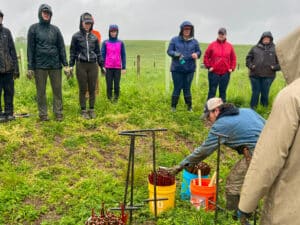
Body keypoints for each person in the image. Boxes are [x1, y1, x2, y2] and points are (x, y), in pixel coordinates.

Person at [238, 27, 300, 225]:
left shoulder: (292, 96)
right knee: (257, 95)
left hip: (291, 209)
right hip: (257, 76)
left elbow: (268, 159)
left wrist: (246, 204)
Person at [165, 97, 265, 217]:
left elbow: (203, 151)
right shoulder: (247, 111)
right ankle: (250, 210)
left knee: (233, 182)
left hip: (259, 154)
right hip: (274, 148)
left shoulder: (221, 125)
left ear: (216, 111)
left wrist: (180, 166)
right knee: (251, 182)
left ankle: (233, 216)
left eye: (209, 116)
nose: (209, 120)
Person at [27, 4, 70, 122]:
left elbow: (61, 47)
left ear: (51, 15)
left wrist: (65, 65)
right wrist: (30, 67)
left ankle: (58, 113)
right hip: (40, 66)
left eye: (48, 13)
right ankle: (43, 114)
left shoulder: (55, 29)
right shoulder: (33, 28)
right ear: (40, 13)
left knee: (57, 90)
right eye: (44, 12)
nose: (46, 14)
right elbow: (30, 49)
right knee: (41, 91)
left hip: (55, 65)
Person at [69, 12, 104, 119]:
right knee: (83, 88)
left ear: (91, 24)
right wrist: (71, 65)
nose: (87, 25)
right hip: (81, 65)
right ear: (81, 23)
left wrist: (102, 65)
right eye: (86, 23)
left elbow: (98, 53)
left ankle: (92, 109)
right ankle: (83, 110)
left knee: (92, 88)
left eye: (89, 23)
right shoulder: (76, 36)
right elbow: (72, 52)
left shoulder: (94, 37)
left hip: (93, 65)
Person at [167, 21, 201, 112]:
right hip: (177, 69)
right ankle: (173, 107)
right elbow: (169, 51)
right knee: (177, 87)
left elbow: (199, 52)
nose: (187, 31)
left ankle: (189, 107)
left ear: (191, 30)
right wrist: (177, 54)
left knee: (187, 88)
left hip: (189, 69)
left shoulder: (195, 42)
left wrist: (196, 54)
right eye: (185, 29)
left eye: (188, 29)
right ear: (182, 30)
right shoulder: (174, 40)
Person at [246, 31, 280, 109]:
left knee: (265, 93)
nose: (266, 39)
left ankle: (263, 109)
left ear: (271, 39)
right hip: (254, 75)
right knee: (255, 92)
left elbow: (281, 62)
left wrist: (274, 67)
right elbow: (248, 59)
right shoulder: (255, 48)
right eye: (265, 38)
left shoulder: (275, 49)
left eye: (268, 38)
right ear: (262, 38)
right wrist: (251, 66)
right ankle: (253, 109)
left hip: (268, 75)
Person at [204, 28, 236, 103]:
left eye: (223, 34)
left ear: (225, 35)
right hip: (214, 72)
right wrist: (209, 66)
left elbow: (233, 58)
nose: (221, 35)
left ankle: (223, 109)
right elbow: (206, 56)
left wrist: (232, 68)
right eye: (220, 34)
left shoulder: (229, 46)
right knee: (212, 91)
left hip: (225, 73)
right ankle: (208, 109)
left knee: (223, 91)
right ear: (218, 34)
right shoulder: (212, 45)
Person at [0, 10, 19, 122]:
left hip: (8, 70)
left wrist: (15, 69)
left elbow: (12, 50)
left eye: (0, 17)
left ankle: (9, 112)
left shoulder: (7, 32)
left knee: (9, 92)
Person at [101, 24, 126, 102]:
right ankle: (109, 99)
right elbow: (102, 55)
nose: (113, 33)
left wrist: (124, 67)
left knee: (116, 85)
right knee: (109, 84)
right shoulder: (105, 42)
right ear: (109, 32)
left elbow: (123, 55)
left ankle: (116, 99)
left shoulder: (120, 43)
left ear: (117, 32)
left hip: (117, 67)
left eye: (114, 31)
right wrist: (102, 66)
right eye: (111, 31)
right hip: (108, 67)